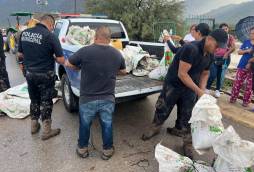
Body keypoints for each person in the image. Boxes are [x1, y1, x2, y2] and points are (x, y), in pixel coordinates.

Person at [141, 29, 228, 150]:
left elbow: (205, 73)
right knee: (163, 108)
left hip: (190, 88)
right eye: (217, 46)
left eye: (220, 47)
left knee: (188, 116)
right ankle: (155, 127)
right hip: (174, 84)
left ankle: (185, 140)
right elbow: (182, 74)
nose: (218, 49)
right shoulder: (191, 49)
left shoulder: (210, 54)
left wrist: (201, 91)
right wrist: (199, 91)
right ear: (209, 39)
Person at [65, 26, 127, 160]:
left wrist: (79, 67)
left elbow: (68, 64)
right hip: (107, 98)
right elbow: (123, 71)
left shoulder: (85, 51)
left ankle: (82, 149)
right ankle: (107, 151)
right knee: (107, 124)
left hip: (87, 98)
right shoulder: (117, 53)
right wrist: (112, 70)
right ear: (109, 39)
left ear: (95, 37)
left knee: (85, 124)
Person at [18, 15, 65, 139]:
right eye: (52, 27)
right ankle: (46, 131)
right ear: (50, 24)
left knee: (34, 99)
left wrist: (23, 66)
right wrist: (53, 57)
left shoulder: (25, 33)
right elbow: (61, 59)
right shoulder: (50, 36)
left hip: (30, 73)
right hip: (45, 74)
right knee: (46, 101)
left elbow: (20, 54)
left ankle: (34, 126)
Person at [230, 26, 254, 107]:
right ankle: (233, 98)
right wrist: (247, 50)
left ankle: (246, 101)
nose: (251, 35)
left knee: (249, 86)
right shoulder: (246, 42)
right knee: (237, 83)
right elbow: (239, 52)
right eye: (250, 33)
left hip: (253, 68)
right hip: (242, 65)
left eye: (253, 33)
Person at [206, 23, 236, 98]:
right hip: (215, 57)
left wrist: (227, 53)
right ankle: (207, 88)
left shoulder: (230, 37)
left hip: (225, 59)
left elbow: (233, 47)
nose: (225, 30)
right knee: (212, 74)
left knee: (221, 75)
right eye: (223, 29)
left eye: (226, 28)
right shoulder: (217, 36)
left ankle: (217, 90)